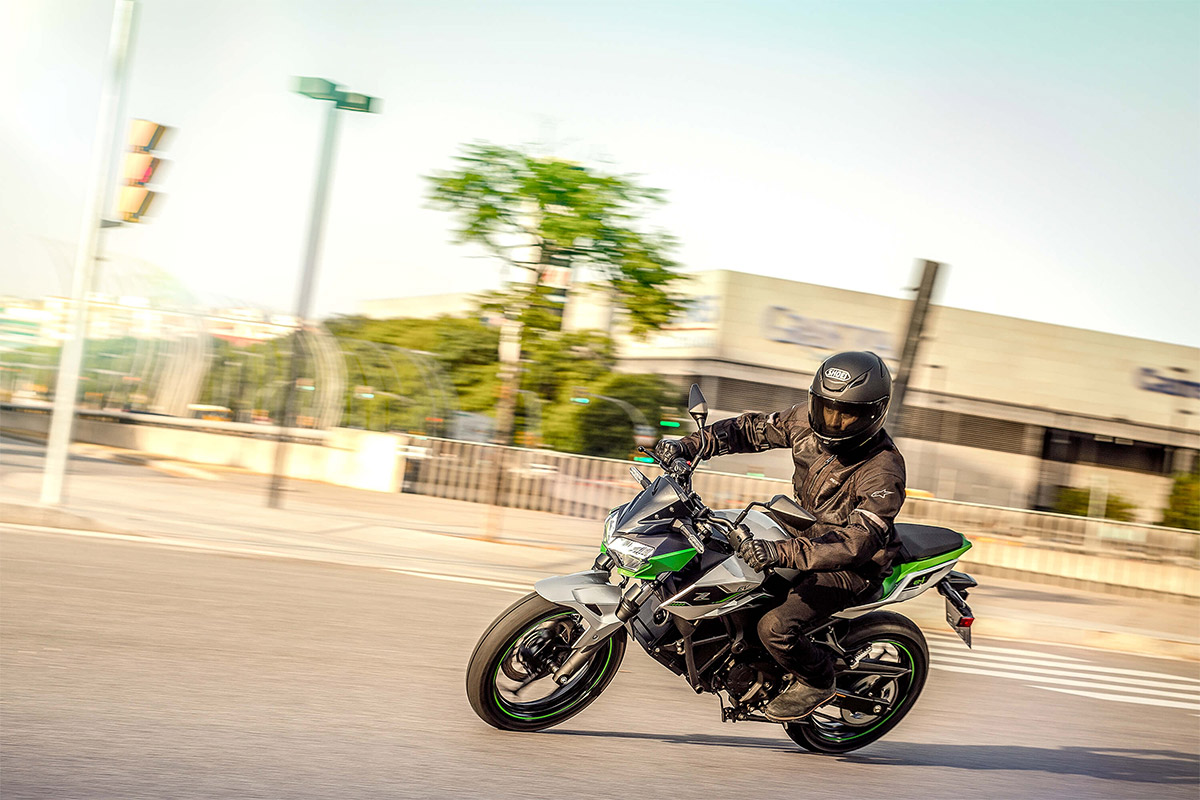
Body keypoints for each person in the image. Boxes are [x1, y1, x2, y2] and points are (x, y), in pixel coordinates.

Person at [656, 350, 905, 722]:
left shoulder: (883, 470)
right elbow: (749, 430)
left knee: (776, 626)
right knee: (712, 555)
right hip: (797, 528)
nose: (832, 421)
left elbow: (856, 542)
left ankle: (818, 680)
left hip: (851, 565)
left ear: (873, 412)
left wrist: (781, 553)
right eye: (825, 407)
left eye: (846, 413)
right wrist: (689, 446)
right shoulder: (805, 422)